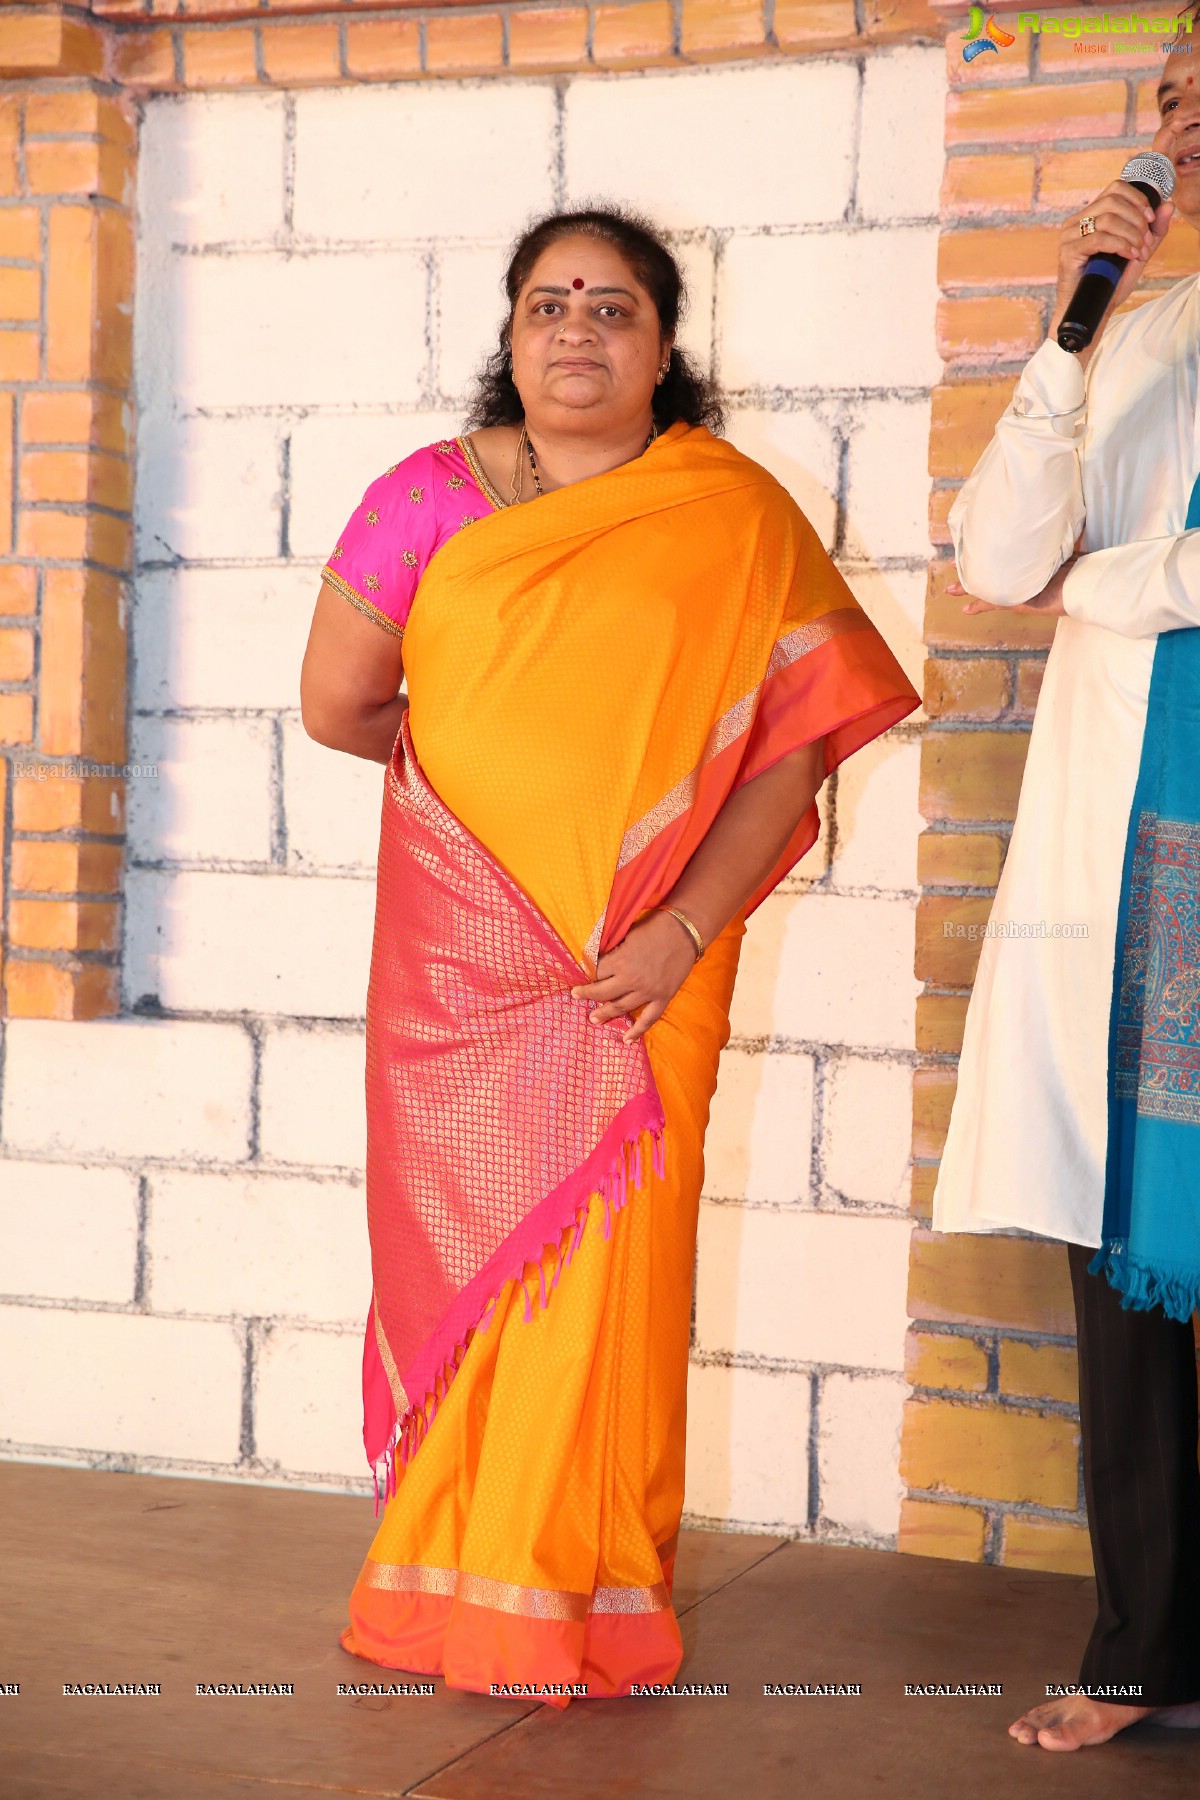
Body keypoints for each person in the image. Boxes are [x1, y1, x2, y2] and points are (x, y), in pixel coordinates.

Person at [300, 204, 917, 1706]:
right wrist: (492, 824)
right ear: (509, 336)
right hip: (459, 962)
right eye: (549, 303)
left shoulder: (728, 512)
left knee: (613, 1273)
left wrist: (674, 923)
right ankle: (451, 1586)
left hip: (648, 971)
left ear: (664, 347)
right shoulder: (422, 500)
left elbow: (792, 754)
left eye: (614, 306)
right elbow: (342, 707)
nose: (578, 327)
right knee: (473, 1255)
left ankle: (578, 1599)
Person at [932, 45, 1200, 1754]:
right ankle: (1145, 1646)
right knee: (1129, 1226)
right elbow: (1000, 561)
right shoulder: (1143, 335)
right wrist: (1067, 332)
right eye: (1180, 92)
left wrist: (1108, 588)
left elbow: (1114, 582)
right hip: (1135, 845)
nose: (1187, 121)